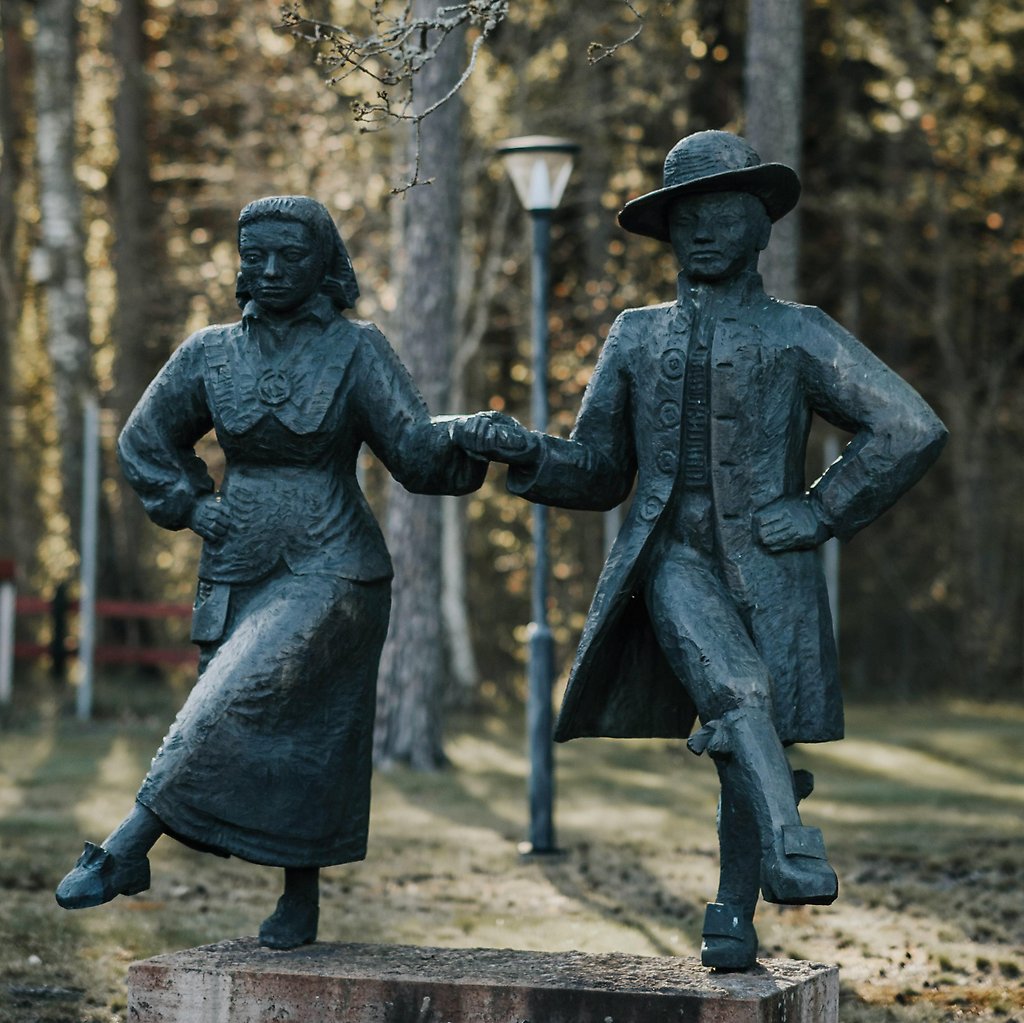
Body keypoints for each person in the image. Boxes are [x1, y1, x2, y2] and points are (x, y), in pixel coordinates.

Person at [453, 130, 947, 970]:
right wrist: (527, 452)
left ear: (761, 229)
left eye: (723, 215)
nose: (704, 232)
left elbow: (908, 427)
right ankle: (792, 838)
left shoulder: (800, 334)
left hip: (770, 568)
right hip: (670, 558)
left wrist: (822, 510)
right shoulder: (636, 336)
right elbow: (603, 470)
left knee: (740, 744)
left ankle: (733, 906)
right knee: (738, 688)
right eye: (687, 220)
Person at [55, 195, 487, 949]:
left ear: (326, 262)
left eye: (291, 254)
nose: (274, 269)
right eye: (257, 255)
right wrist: (193, 506)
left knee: (235, 694)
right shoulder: (210, 351)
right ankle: (300, 901)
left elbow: (414, 450)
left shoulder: (356, 350)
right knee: (302, 735)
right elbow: (144, 440)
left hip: (337, 566)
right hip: (239, 564)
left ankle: (127, 846)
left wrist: (472, 439)